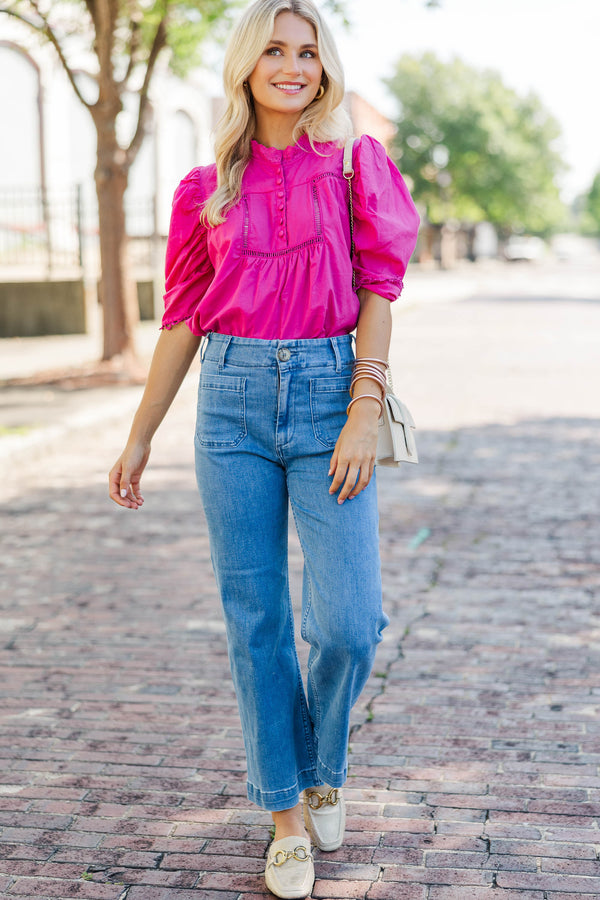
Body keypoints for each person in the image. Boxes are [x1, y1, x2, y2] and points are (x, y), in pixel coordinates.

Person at [109, 0, 419, 896]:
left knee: (350, 623)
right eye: (275, 50)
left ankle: (324, 765)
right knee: (257, 624)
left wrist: (363, 408)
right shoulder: (203, 189)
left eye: (308, 52)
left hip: (330, 396)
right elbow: (182, 320)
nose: (293, 66)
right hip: (232, 404)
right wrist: (140, 434)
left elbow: (378, 289)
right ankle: (285, 815)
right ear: (247, 64)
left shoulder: (354, 164)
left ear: (325, 68)